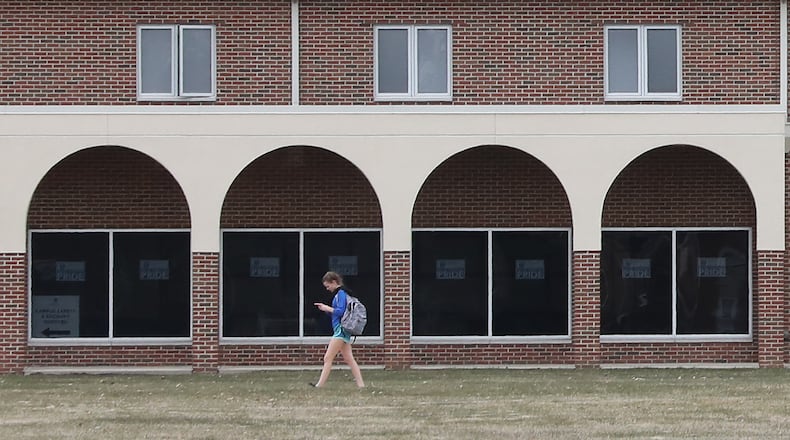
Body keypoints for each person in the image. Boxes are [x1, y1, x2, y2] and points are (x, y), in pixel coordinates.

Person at [310, 271, 365, 388]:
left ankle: (319, 385)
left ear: (334, 282)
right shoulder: (341, 294)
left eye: (328, 286)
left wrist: (327, 308)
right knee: (349, 358)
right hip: (342, 330)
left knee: (328, 357)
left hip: (340, 330)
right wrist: (327, 310)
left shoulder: (341, 293)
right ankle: (361, 385)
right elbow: (338, 313)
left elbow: (340, 311)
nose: (327, 288)